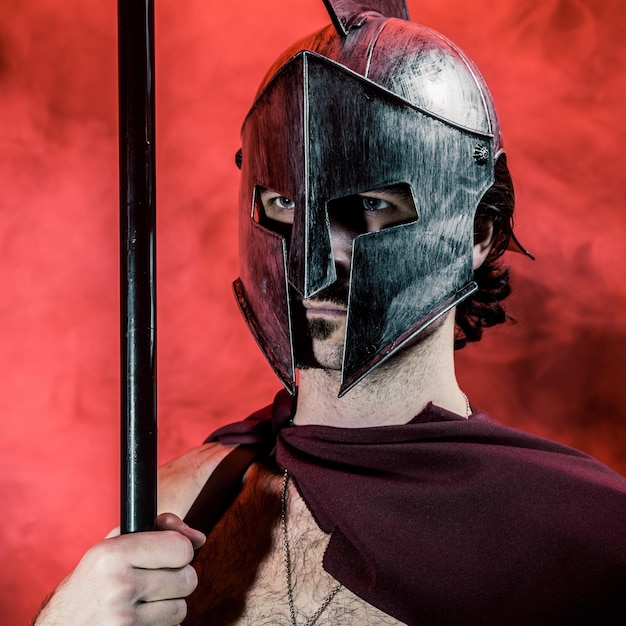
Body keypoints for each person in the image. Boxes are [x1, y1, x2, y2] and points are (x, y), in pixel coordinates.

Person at [34, 1, 626, 625]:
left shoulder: (592, 542)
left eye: (369, 205)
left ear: (479, 231)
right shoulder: (174, 504)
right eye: (284, 205)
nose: (310, 268)